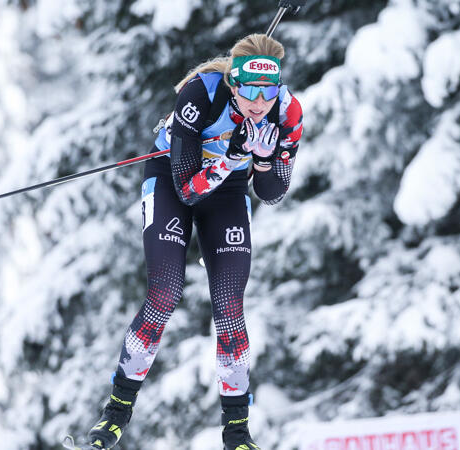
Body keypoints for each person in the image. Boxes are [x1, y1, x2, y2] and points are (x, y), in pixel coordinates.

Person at [85, 33, 303, 450]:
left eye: (269, 92)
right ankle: (115, 413)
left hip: (228, 187)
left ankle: (237, 434)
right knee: (165, 291)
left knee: (229, 304)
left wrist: (259, 159)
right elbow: (187, 190)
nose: (260, 103)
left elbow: (274, 191)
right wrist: (233, 154)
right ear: (233, 85)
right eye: (250, 92)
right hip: (172, 176)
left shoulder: (287, 111)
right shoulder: (199, 95)